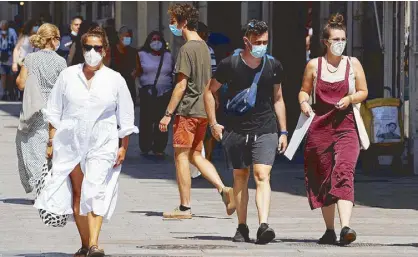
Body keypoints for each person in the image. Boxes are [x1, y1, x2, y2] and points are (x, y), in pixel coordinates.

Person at [34, 26, 138, 257]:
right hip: (70, 143)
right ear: (82, 49)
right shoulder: (68, 75)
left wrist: (124, 147)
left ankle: (94, 244)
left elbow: (126, 117)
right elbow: (53, 111)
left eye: (97, 47)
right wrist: (51, 141)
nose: (92, 51)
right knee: (79, 194)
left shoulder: (115, 80)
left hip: (103, 143)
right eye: (88, 47)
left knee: (96, 190)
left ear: (105, 50)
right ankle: (84, 244)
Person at [204, 20, 288, 244]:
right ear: (246, 41)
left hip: (266, 128)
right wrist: (213, 123)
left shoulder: (273, 65)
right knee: (240, 177)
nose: (262, 45)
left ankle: (263, 225)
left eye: (265, 42)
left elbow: (278, 99)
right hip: (236, 129)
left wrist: (284, 131)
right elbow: (209, 92)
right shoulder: (229, 64)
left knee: (262, 175)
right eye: (257, 42)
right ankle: (242, 226)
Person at [159, 3, 235, 219]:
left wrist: (167, 113)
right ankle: (224, 189)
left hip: (188, 109)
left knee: (181, 156)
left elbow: (181, 85)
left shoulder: (186, 49)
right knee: (194, 154)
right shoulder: (205, 46)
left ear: (183, 22)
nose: (172, 25)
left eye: (173, 21)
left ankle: (184, 207)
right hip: (203, 110)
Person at [299, 13, 369, 246]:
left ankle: (346, 227)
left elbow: (363, 91)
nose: (340, 43)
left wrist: (350, 98)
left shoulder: (353, 64)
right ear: (325, 42)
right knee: (323, 178)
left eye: (343, 39)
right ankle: (329, 230)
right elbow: (303, 90)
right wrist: (304, 102)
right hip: (320, 128)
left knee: (344, 170)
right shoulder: (314, 65)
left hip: (347, 127)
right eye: (335, 39)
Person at [15, 23, 66, 194]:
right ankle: (50, 184)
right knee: (51, 147)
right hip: (54, 110)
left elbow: (21, 83)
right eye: (58, 38)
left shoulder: (30, 59)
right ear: (52, 40)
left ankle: (40, 184)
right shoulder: (61, 61)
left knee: (33, 147)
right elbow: (65, 88)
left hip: (34, 108)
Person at [137, 31, 173, 156]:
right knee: (146, 120)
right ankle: (145, 146)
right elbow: (136, 71)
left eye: (158, 39)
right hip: (147, 92)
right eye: (153, 39)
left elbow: (173, 71)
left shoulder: (168, 55)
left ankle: (159, 147)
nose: (156, 42)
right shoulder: (141, 54)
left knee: (162, 120)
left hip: (165, 93)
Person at [197, 21, 219, 163]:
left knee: (204, 129)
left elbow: (213, 75)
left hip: (200, 94)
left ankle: (202, 159)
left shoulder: (207, 51)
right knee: (206, 128)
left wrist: (215, 96)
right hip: (205, 93)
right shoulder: (209, 50)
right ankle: (205, 159)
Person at [109, 26, 140, 104]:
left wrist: (134, 73)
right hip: (114, 85)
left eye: (129, 36)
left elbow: (138, 67)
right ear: (119, 36)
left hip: (129, 85)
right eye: (125, 36)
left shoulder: (133, 51)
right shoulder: (111, 50)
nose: (127, 38)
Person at [0, 20, 18, 100]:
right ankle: (4, 93)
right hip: (1, 59)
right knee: (3, 75)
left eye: (4, 27)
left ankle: (10, 91)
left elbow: (15, 42)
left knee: (10, 76)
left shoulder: (11, 32)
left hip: (11, 58)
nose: (3, 28)